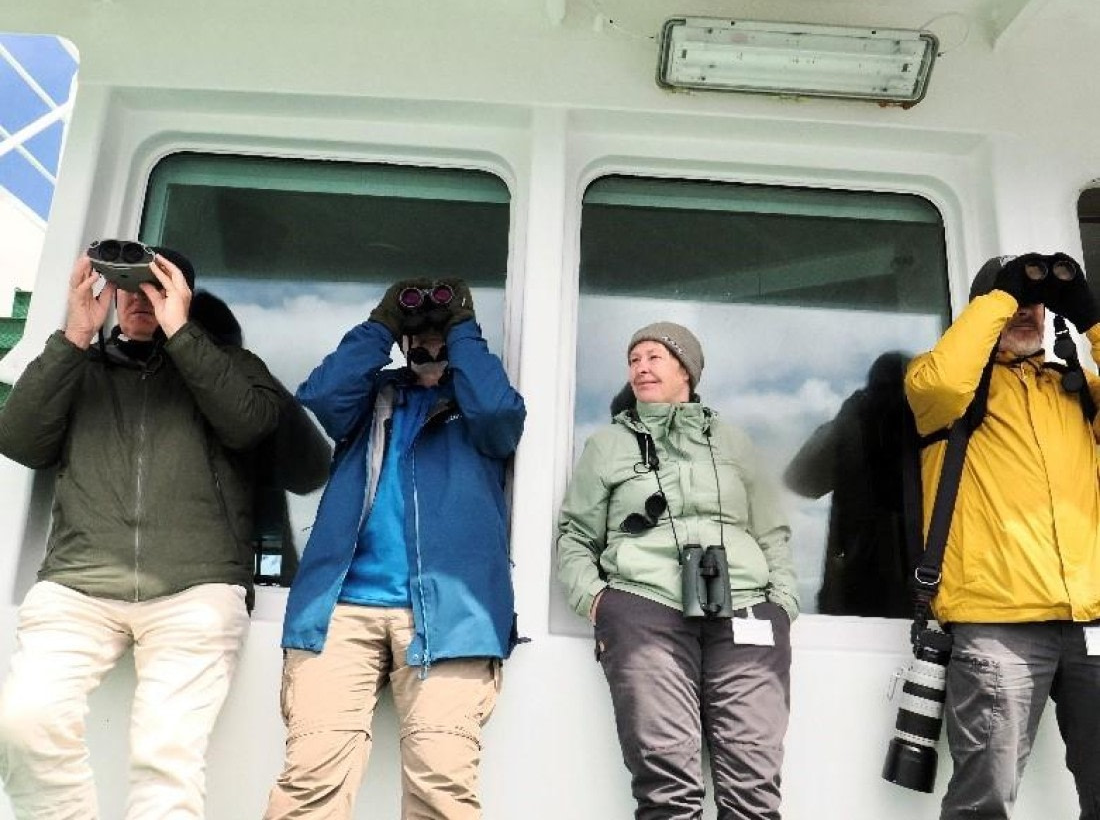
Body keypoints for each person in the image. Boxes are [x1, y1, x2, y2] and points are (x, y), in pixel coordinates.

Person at [0, 249, 282, 819]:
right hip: (79, 585)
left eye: (155, 286)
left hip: (196, 589)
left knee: (165, 758)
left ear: (183, 296)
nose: (137, 298)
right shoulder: (79, 364)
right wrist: (75, 332)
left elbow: (249, 424)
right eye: (125, 285)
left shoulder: (229, 365)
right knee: (24, 723)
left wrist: (182, 331)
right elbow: (20, 441)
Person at [264, 277, 525, 820]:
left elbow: (502, 416)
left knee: (442, 790)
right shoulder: (371, 399)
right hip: (339, 611)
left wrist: (462, 333)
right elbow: (322, 394)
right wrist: (382, 324)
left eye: (441, 334)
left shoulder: (479, 407)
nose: (429, 342)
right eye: (418, 333)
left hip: (452, 617)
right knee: (311, 781)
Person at [557, 322, 798, 820]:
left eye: (654, 357)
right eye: (634, 360)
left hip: (746, 607)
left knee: (753, 783)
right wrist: (599, 601)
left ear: (686, 369)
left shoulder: (734, 442)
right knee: (667, 783)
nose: (641, 367)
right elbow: (576, 536)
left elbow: (772, 529)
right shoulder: (608, 445)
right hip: (644, 607)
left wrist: (782, 604)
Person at [905, 253, 1100, 820]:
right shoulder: (945, 391)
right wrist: (1000, 296)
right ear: (982, 312)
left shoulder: (1077, 390)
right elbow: (944, 377)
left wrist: (1089, 319)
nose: (1025, 312)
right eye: (1012, 301)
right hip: (998, 623)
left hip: (1089, 618)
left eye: (1034, 304)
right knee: (982, 801)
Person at [188, 289, 333, 585]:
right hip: (245, 574)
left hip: (257, 569)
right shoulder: (144, 389)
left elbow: (314, 469)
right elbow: (314, 471)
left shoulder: (258, 392)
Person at [783, 351, 916, 617]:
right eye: (881, 390)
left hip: (918, 583)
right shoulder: (854, 431)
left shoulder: (928, 435)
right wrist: (847, 421)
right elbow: (800, 480)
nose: (889, 401)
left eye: (896, 391)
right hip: (854, 584)